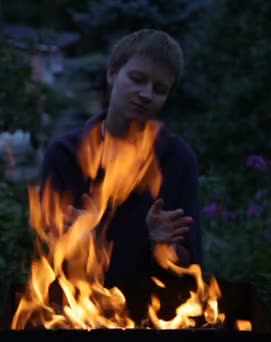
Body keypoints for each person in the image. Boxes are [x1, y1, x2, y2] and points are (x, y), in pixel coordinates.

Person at [38, 29, 201, 317]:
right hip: (79, 316)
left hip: (153, 317)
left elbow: (191, 267)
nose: (146, 94)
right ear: (112, 74)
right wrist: (77, 241)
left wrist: (162, 246)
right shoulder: (64, 155)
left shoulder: (178, 160)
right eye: (137, 79)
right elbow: (45, 258)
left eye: (159, 89)